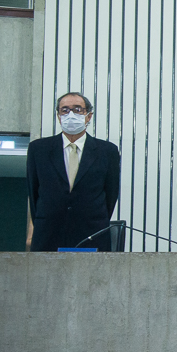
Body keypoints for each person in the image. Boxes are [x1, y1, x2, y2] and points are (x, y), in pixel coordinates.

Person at [26, 92, 121, 251]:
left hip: (91, 234)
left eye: (77, 109)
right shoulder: (39, 149)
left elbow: (110, 195)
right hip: (48, 234)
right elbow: (33, 190)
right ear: (58, 116)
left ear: (88, 116)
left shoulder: (107, 151)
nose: (70, 114)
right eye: (65, 110)